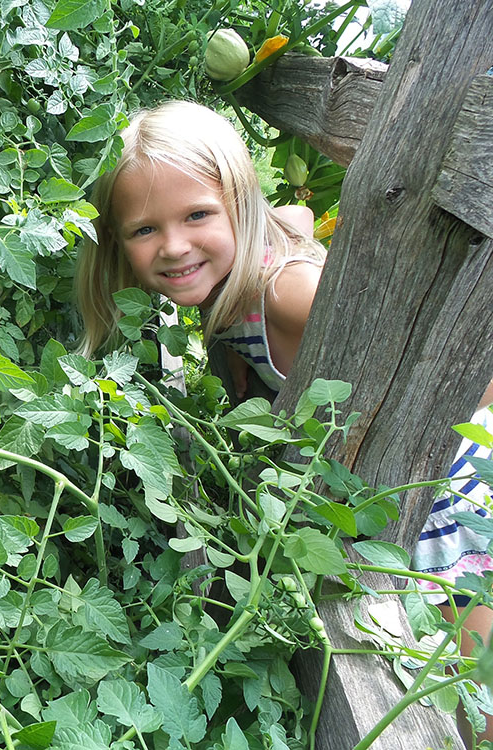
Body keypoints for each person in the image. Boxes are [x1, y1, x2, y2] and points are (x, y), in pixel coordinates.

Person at [75, 99, 493, 739]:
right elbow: (293, 216)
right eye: (143, 230)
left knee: (471, 683)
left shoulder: (283, 291)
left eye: (197, 216)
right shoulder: (240, 274)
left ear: (241, 206)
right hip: (391, 481)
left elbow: (439, 355)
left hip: (445, 484)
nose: (174, 246)